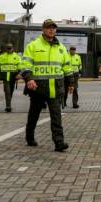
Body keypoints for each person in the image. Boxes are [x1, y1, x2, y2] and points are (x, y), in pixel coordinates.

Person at [21, 19, 71, 151]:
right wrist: (29, 79)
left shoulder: (61, 48)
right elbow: (25, 65)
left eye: (53, 28)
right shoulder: (33, 45)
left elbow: (67, 66)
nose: (51, 30)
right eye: (49, 27)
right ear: (43, 29)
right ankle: (29, 137)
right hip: (38, 88)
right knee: (34, 115)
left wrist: (71, 83)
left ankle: (59, 142)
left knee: (56, 116)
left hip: (55, 88)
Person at [0, 44, 22, 112]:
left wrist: (19, 74)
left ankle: (8, 103)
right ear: (6, 49)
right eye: (8, 48)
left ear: (12, 48)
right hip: (5, 77)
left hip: (13, 77)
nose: (9, 49)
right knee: (7, 91)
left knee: (11, 91)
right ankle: (8, 106)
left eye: (10, 48)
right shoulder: (2, 56)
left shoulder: (16, 56)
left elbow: (19, 66)